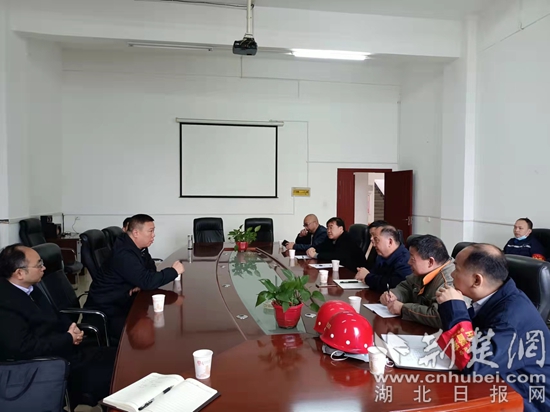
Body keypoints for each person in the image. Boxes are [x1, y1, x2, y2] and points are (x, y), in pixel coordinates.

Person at [436, 244, 550, 411]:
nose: (452, 275)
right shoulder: (496, 299)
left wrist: (454, 307)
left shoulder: (510, 318)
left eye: (457, 269)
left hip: (529, 400)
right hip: (499, 381)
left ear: (477, 280)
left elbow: (473, 362)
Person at [0, 244, 116, 406]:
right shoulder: (5, 303)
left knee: (118, 356)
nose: (44, 268)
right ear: (19, 273)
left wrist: (72, 328)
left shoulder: (30, 288)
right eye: (39, 265)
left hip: (64, 348)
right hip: (48, 364)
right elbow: (24, 347)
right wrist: (68, 338)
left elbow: (56, 315)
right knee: (118, 372)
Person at [85, 214, 184, 341]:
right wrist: (173, 271)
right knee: (156, 325)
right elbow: (148, 281)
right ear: (136, 233)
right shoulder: (124, 254)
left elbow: (150, 270)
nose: (153, 235)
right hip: (108, 312)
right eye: (150, 231)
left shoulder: (139, 248)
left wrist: (139, 281)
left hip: (123, 302)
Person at [380, 235, 458, 329]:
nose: (408, 262)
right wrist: (394, 294)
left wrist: (403, 309)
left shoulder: (449, 281)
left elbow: (439, 316)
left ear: (430, 262)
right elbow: (407, 286)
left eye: (412, 259)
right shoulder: (425, 271)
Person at [355, 225, 411, 292]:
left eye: (376, 240)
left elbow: (394, 285)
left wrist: (367, 277)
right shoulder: (382, 255)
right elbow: (376, 274)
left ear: (390, 242)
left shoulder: (405, 260)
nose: (373, 245)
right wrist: (365, 274)